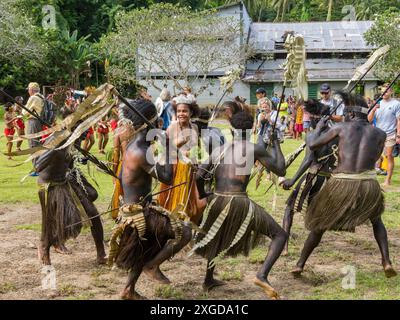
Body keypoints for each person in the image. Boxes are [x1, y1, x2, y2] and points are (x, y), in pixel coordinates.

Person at [291, 93, 397, 278]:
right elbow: (375, 157)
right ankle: (386, 261)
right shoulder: (379, 133)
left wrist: (319, 129)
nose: (344, 117)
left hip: (343, 182)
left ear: (353, 115)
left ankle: (300, 264)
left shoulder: (340, 128)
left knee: (319, 225)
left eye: (346, 114)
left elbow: (313, 144)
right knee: (377, 221)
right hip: (369, 184)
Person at [194, 111, 287, 299]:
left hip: (217, 199)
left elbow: (198, 176)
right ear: (251, 128)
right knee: (280, 235)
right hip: (239, 201)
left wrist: (205, 195)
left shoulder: (219, 149)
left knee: (216, 238)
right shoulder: (253, 148)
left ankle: (208, 279)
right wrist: (275, 141)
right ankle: (261, 275)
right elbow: (281, 168)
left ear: (231, 129)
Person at [108, 99, 192, 300]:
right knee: (185, 231)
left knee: (144, 247)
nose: (160, 124)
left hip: (137, 207)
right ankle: (152, 265)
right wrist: (169, 147)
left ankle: (128, 290)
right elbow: (167, 177)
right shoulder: (141, 151)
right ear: (149, 123)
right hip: (138, 213)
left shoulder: (136, 144)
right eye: (157, 121)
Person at [36, 128, 107, 266]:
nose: (86, 135)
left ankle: (101, 254)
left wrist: (77, 159)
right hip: (51, 186)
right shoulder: (58, 140)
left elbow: (68, 164)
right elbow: (38, 165)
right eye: (84, 131)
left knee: (93, 214)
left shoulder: (73, 140)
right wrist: (55, 149)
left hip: (67, 179)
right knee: (61, 222)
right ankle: (45, 247)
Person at [280, 100, 335, 254]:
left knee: (289, 210)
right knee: (316, 213)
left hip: (313, 177)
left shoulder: (312, 135)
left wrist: (292, 180)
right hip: (329, 180)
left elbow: (308, 159)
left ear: (316, 119)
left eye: (309, 117)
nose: (307, 120)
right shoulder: (337, 133)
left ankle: (284, 246)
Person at [158, 94, 206, 224]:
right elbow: (165, 150)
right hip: (175, 172)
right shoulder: (172, 127)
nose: (181, 114)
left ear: (191, 112)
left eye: (184, 111)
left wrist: (196, 160)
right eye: (179, 111)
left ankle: (190, 227)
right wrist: (182, 140)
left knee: (198, 204)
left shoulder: (194, 127)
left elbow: (196, 148)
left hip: (191, 171)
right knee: (175, 204)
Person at [367, 83, 400, 187]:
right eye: (383, 91)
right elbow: (369, 119)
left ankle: (388, 180)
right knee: (375, 155)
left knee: (389, 155)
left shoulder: (396, 103)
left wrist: (398, 134)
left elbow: (399, 120)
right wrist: (373, 109)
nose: (384, 93)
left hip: (390, 134)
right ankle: (373, 178)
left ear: (390, 91)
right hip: (378, 134)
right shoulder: (378, 103)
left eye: (386, 91)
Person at [23, 82, 45, 150]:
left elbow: (24, 112)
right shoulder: (42, 97)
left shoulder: (33, 98)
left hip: (33, 122)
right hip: (40, 122)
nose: (28, 91)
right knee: (39, 142)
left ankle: (35, 160)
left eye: (28, 90)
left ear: (31, 90)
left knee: (33, 143)